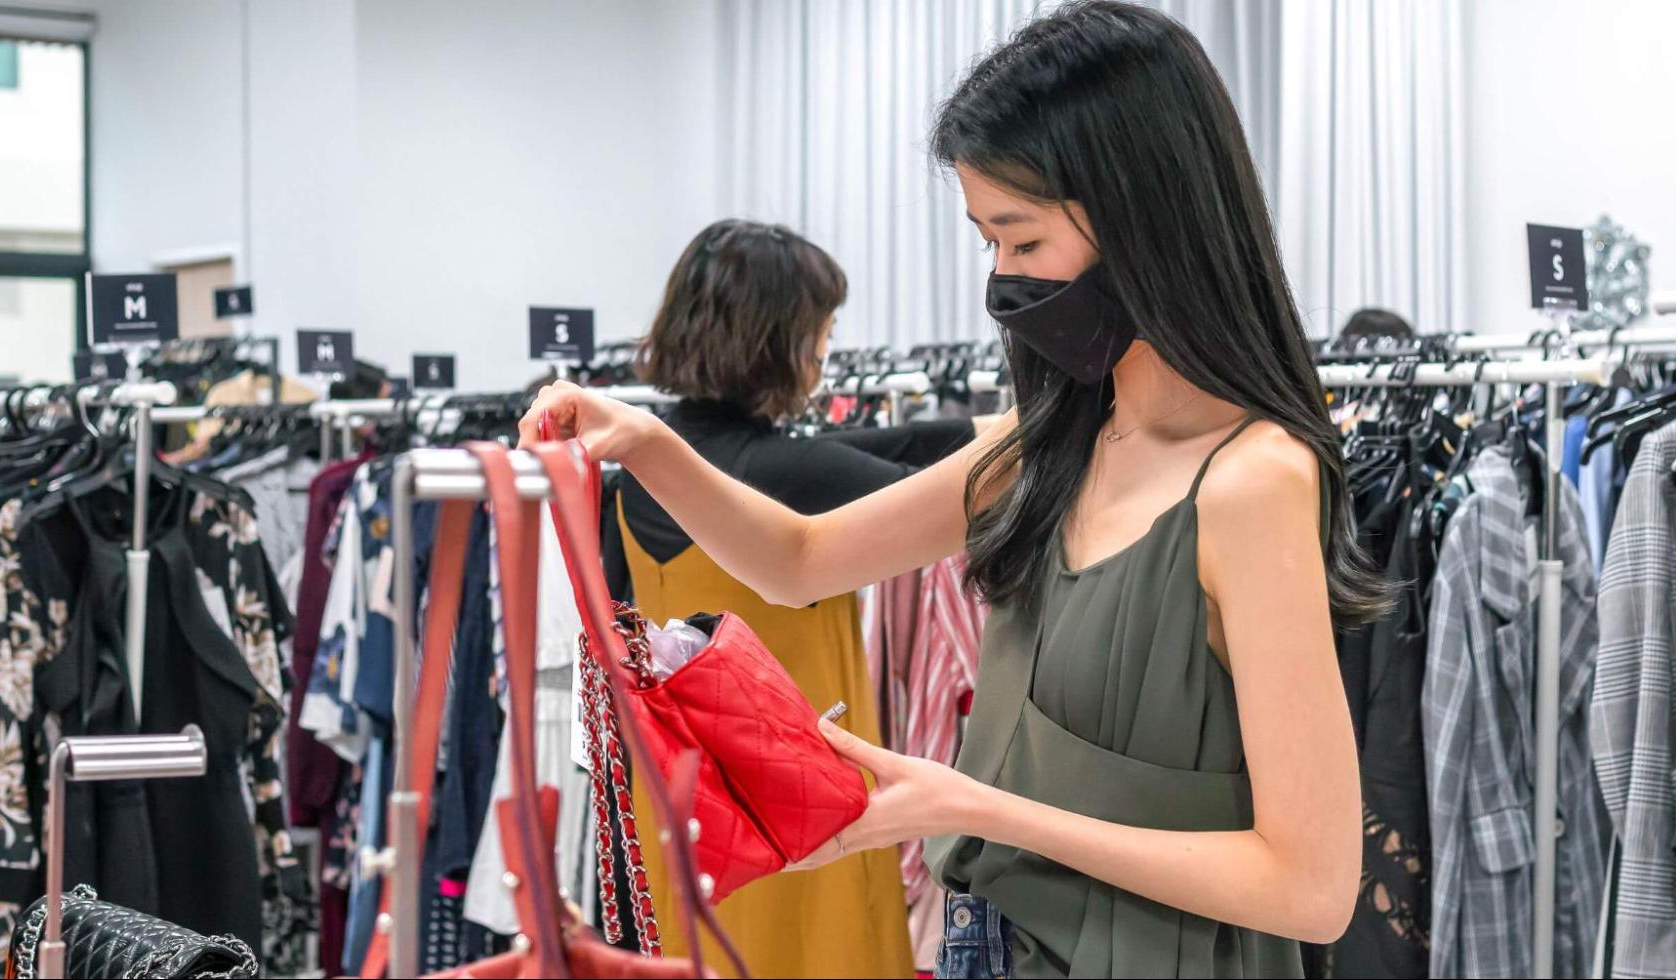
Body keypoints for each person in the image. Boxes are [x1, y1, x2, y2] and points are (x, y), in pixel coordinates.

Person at [523, 3, 1387, 976]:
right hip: (994, 941)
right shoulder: (1049, 439)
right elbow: (801, 561)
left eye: (1020, 240)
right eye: (987, 243)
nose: (1002, 280)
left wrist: (970, 802)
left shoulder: (1250, 482)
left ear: (1144, 217)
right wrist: (643, 441)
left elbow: (1310, 888)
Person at [596, 218, 993, 979]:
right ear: (781, 339)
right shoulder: (789, 474)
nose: (824, 355)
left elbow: (862, 452)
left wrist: (990, 425)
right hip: (797, 808)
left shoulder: (636, 475)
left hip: (690, 803)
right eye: (821, 333)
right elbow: (944, 496)